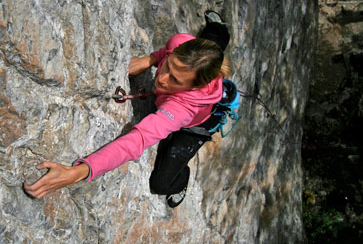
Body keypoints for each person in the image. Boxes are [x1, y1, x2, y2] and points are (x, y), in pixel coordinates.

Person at [24, 11, 231, 208]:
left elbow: (138, 140)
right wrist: (150, 59)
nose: (162, 78)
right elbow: (166, 52)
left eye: (175, 80)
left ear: (194, 87)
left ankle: (182, 178)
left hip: (196, 125)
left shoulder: (181, 110)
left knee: (160, 184)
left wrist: (79, 172)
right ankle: (219, 27)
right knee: (213, 42)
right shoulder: (180, 42)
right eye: (168, 65)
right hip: (195, 67)